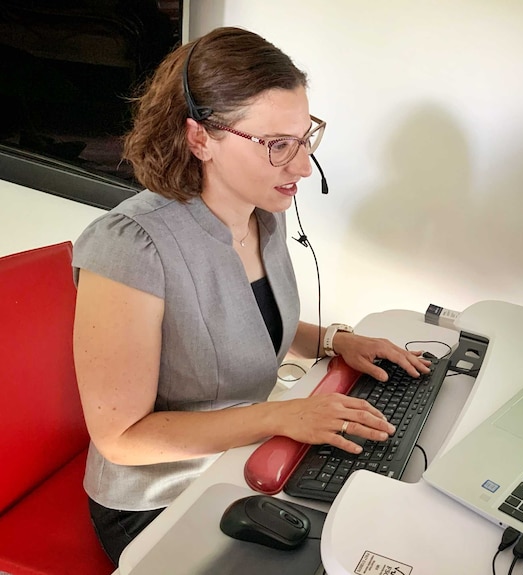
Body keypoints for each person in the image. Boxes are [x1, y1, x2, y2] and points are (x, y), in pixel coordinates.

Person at [71, 26, 430, 565]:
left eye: (305, 137)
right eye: (277, 145)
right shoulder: (131, 248)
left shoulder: (262, 214)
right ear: (200, 139)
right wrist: (281, 418)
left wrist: (333, 341)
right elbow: (122, 438)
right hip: (156, 501)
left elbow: (236, 322)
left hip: (234, 461)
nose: (304, 164)